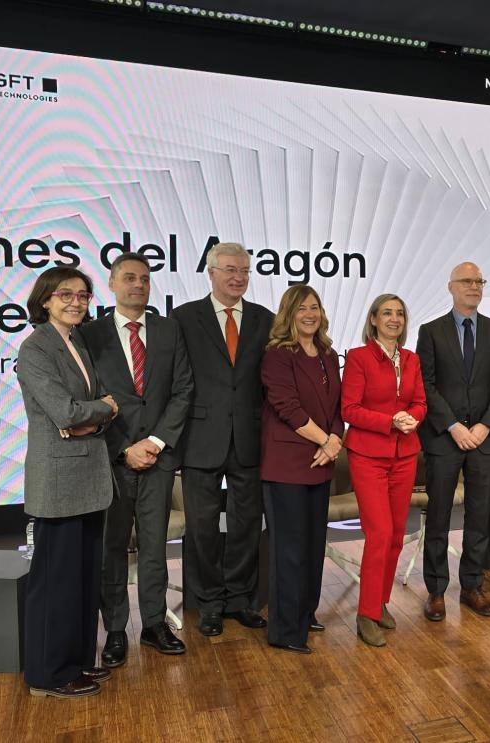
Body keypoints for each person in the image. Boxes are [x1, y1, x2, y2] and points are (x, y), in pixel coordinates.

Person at [80, 253, 193, 665]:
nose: (138, 285)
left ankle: (153, 625)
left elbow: (183, 390)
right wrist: (125, 448)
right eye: (129, 278)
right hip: (111, 460)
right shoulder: (90, 335)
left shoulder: (168, 330)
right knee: (112, 547)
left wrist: (157, 442)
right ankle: (113, 630)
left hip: (159, 460)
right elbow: (88, 398)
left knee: (154, 546)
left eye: (145, 279)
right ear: (111, 284)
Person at [17, 266, 118, 698]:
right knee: (56, 582)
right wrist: (103, 409)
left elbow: (84, 412)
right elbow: (65, 412)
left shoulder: (77, 340)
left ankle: (77, 661)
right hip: (58, 481)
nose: (76, 302)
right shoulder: (36, 347)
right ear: (45, 300)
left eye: (83, 295)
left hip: (88, 476)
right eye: (66, 294)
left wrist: (92, 414)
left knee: (80, 581)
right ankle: (50, 673)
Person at [172, 242, 273, 636]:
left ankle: (240, 599)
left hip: (250, 437)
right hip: (200, 438)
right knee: (202, 527)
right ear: (211, 273)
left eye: (245, 271)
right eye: (230, 270)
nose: (238, 278)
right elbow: (175, 381)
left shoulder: (265, 319)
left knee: (247, 523)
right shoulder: (183, 318)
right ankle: (210, 602)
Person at [416, 262, 490, 621]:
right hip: (445, 439)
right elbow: (426, 385)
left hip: (485, 440)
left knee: (479, 515)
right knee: (439, 516)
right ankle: (436, 590)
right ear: (451, 287)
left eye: (479, 281)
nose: (474, 286)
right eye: (467, 281)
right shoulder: (430, 331)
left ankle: (472, 585)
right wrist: (454, 426)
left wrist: (486, 426)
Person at [260, 285, 343, 653]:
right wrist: (325, 441)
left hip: (322, 462)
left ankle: (305, 614)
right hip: (288, 465)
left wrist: (336, 439)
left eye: (315, 307)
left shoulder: (326, 352)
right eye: (302, 308)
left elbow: (338, 405)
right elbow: (286, 406)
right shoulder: (278, 355)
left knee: (312, 546)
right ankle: (285, 631)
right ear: (288, 314)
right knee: (289, 551)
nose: (310, 314)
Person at [341, 294, 427, 646]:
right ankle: (366, 614)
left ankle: (380, 601)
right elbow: (349, 409)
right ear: (373, 319)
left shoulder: (411, 359)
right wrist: (389, 421)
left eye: (400, 314)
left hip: (405, 455)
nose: (394, 319)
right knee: (378, 533)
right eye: (387, 313)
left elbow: (420, 401)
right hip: (368, 455)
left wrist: (413, 418)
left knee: (394, 535)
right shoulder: (359, 357)